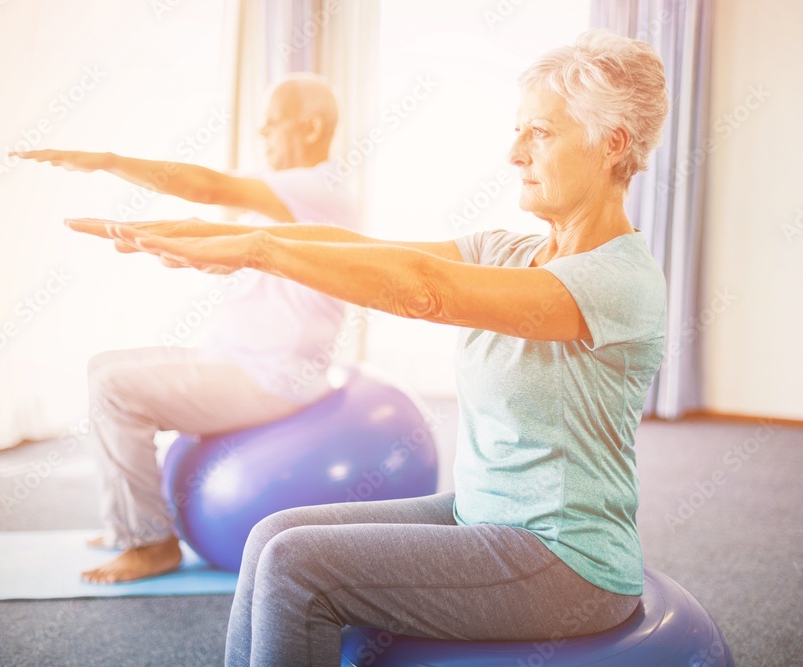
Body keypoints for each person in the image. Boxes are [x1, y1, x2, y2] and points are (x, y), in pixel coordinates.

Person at [68, 29, 669, 666]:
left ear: (613, 144)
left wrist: (258, 249)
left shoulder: (618, 281)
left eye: (540, 133)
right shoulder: (509, 251)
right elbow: (378, 252)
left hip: (564, 561)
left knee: (300, 567)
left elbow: (423, 291)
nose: (514, 153)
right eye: (517, 130)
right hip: (485, 516)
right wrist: (225, 236)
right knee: (272, 534)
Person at [14, 74, 358, 584]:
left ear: (310, 127)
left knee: (115, 387)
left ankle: (150, 543)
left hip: (271, 378)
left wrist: (108, 161)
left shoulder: (316, 187)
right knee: (103, 367)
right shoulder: (291, 197)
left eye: (271, 125)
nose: (261, 136)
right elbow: (218, 234)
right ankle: (124, 523)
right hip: (235, 362)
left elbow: (207, 186)